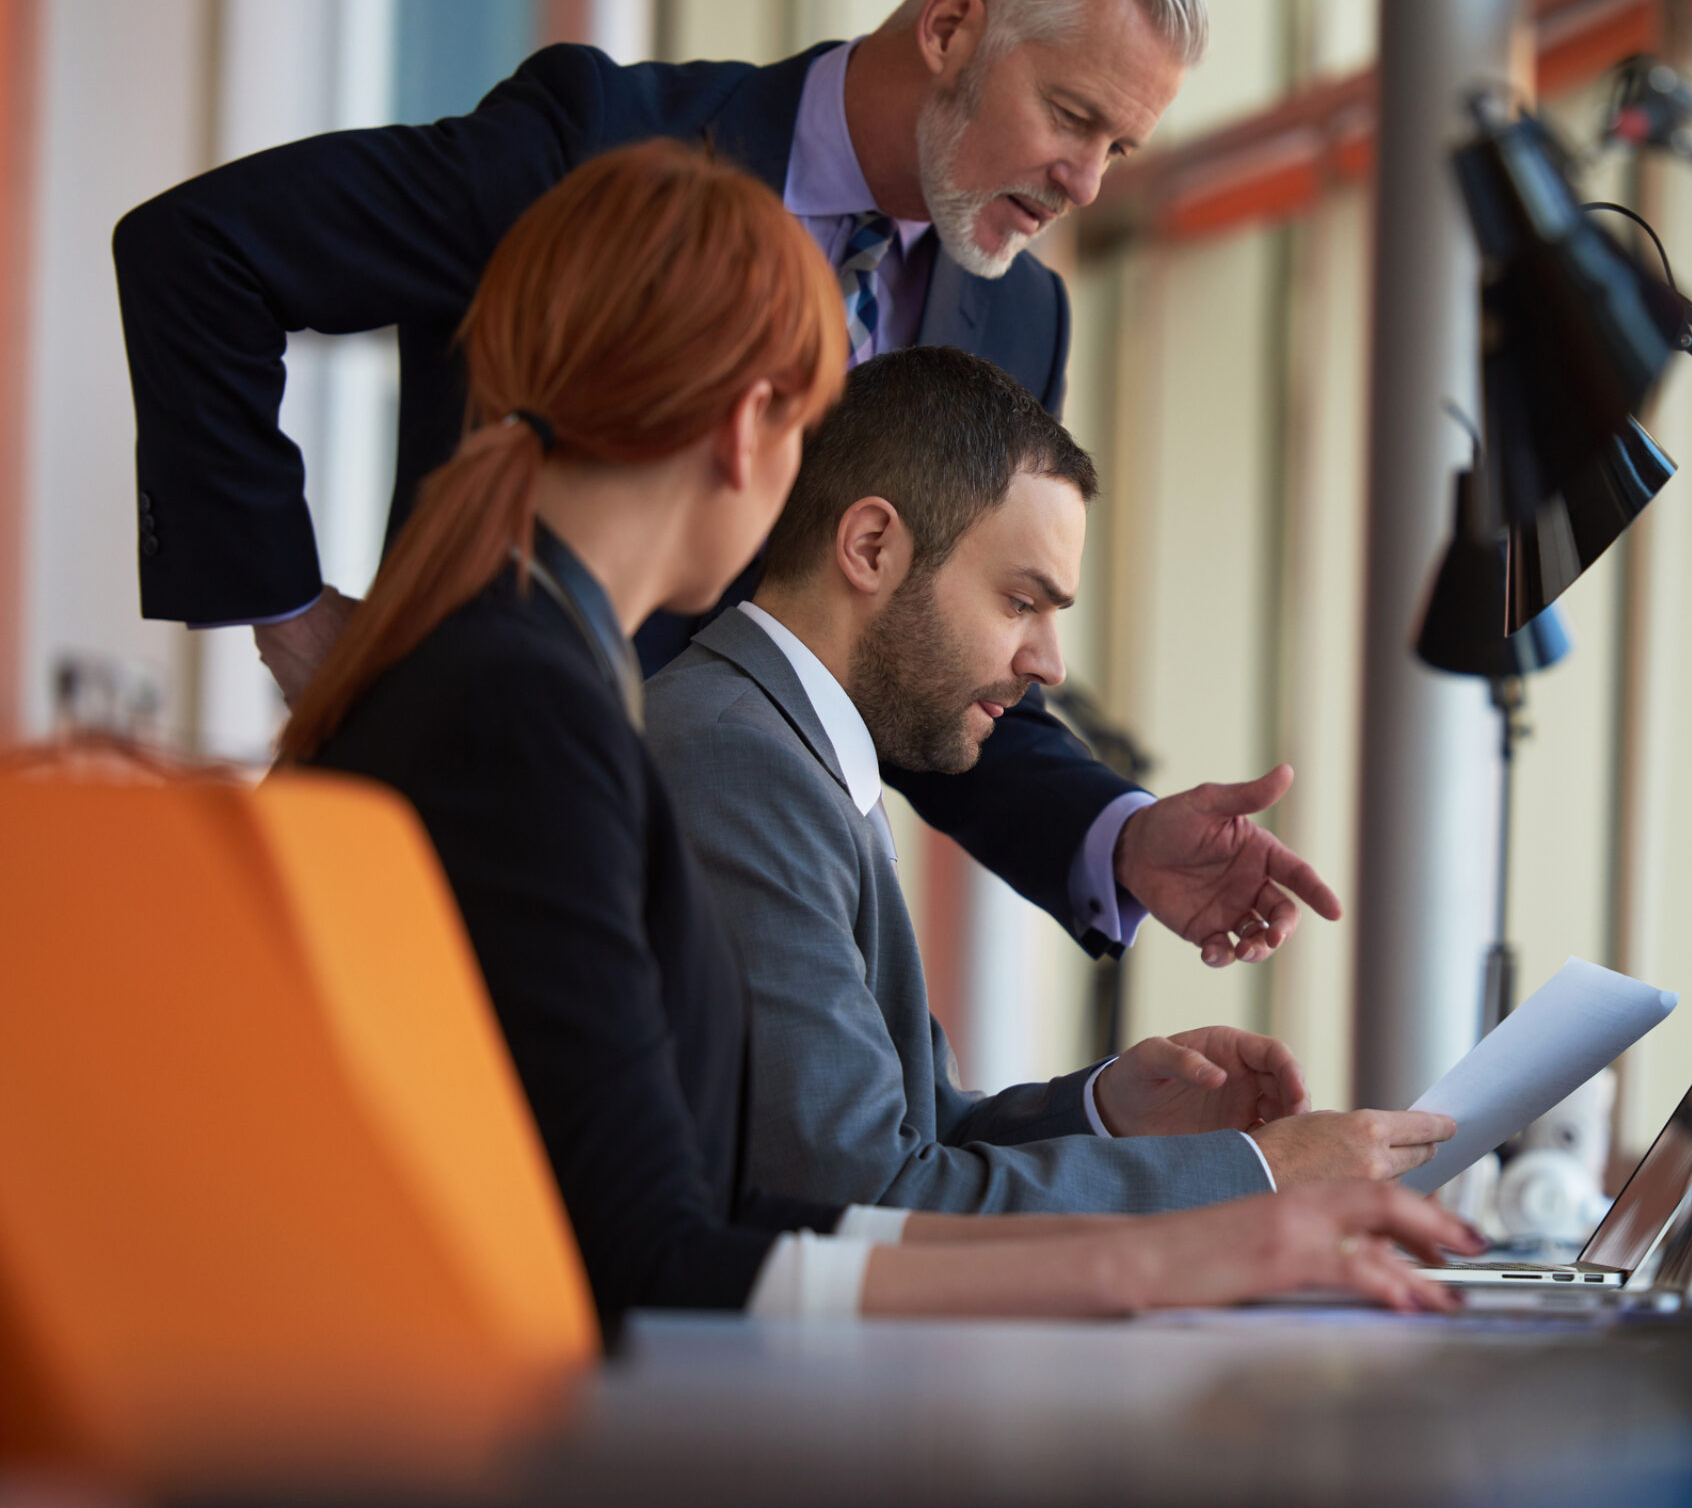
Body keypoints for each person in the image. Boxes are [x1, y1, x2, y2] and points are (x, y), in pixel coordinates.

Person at [284, 138, 1478, 1329]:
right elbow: (676, 1241)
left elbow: (769, 1173)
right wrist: (1180, 1240)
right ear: (754, 424)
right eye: (807, 424)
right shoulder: (574, 722)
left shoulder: (531, 679)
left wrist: (1123, 1127)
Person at [115, 0, 1312, 976]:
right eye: (1071, 115)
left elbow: (919, 660)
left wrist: (1118, 835)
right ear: (950, 27)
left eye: (1121, 146)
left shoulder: (1019, 319)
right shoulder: (598, 148)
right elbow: (202, 253)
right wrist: (292, 617)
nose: (1088, 183)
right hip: (439, 877)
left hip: (731, 963)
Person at [647, 345, 1458, 1214]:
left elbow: (912, 1136)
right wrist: (1264, 1175)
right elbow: (865, 1196)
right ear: (872, 546)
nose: (1051, 665)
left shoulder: (785, 743)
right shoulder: (742, 762)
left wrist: (1106, 1112)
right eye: (1020, 602)